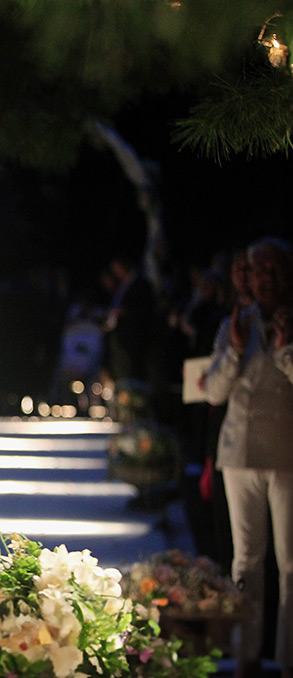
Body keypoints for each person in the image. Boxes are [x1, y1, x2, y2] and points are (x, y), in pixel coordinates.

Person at [205, 237, 293, 678]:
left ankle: (289, 657)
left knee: (291, 562)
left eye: (277, 269)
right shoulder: (234, 323)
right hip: (238, 455)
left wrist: (284, 347)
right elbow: (214, 392)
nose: (268, 278)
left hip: (287, 455)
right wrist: (236, 350)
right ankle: (246, 656)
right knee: (246, 562)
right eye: (261, 270)